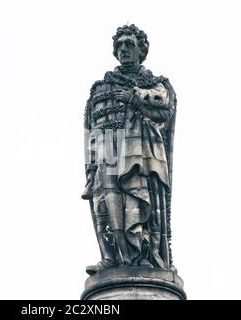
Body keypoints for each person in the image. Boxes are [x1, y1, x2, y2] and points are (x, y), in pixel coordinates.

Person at [82, 24, 177, 275]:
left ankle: (141, 255)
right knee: (104, 206)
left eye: (129, 44)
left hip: (138, 152)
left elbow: (165, 108)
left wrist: (136, 98)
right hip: (107, 153)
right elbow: (91, 128)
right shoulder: (100, 88)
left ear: (141, 51)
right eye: (120, 45)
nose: (123, 49)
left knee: (137, 202)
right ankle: (111, 257)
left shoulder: (154, 84)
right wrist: (90, 168)